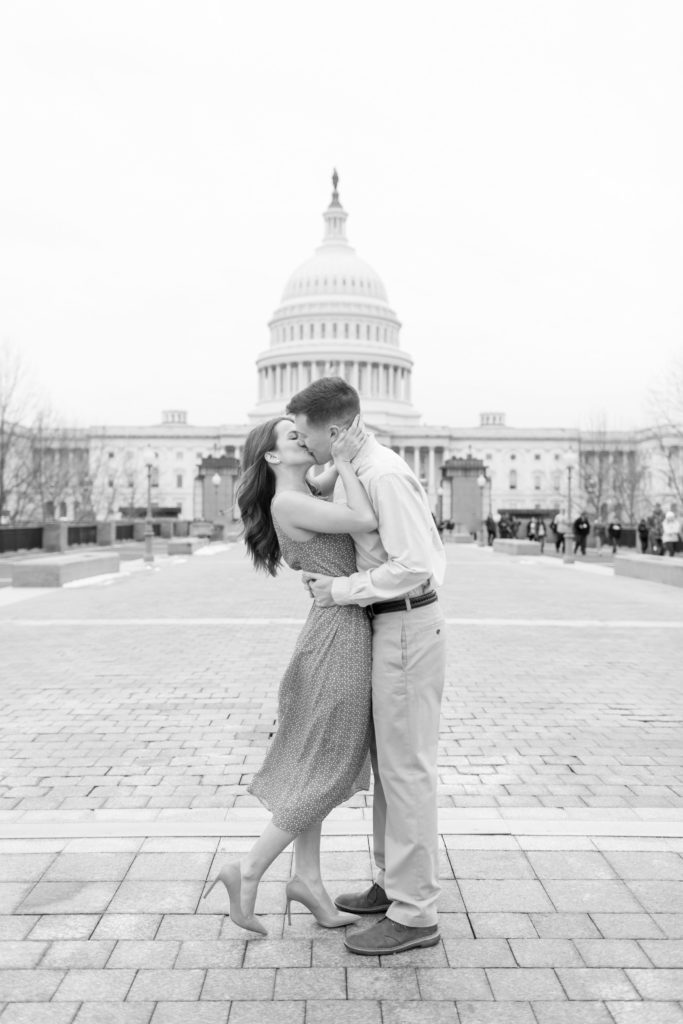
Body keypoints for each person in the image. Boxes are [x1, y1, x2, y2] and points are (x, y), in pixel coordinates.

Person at [288, 377, 447, 957]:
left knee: (406, 772)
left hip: (404, 621)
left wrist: (340, 590)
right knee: (390, 769)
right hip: (389, 623)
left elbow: (417, 563)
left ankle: (415, 913)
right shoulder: (360, 466)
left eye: (304, 433)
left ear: (332, 429)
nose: (302, 443)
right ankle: (391, 885)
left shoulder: (382, 474)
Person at [203, 414, 376, 935]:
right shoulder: (290, 501)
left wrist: (337, 450)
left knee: (316, 765)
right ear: (274, 457)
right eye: (292, 436)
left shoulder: (303, 490)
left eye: (304, 431)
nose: (305, 438)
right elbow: (365, 519)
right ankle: (249, 868)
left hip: (334, 633)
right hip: (338, 641)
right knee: (329, 767)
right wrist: (344, 460)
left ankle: (309, 881)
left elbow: (324, 475)